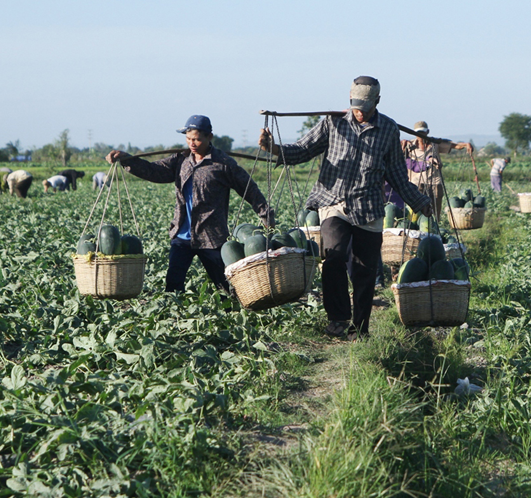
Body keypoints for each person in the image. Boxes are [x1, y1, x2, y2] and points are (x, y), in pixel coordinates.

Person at [259, 76, 432, 340]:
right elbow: (302, 150)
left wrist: (420, 203)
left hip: (369, 208)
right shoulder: (333, 122)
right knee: (335, 255)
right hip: (334, 203)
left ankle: (359, 328)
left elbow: (398, 175)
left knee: (364, 271)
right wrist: (273, 148)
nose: (359, 111)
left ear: (377, 101)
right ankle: (338, 318)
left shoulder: (387, 130)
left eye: (365, 105)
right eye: (355, 105)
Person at [107, 115, 274, 295]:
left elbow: (249, 189)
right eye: (188, 139)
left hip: (211, 236)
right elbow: (154, 171)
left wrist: (265, 214)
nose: (191, 143)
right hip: (182, 236)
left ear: (209, 137)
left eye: (196, 139)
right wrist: (127, 160)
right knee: (173, 284)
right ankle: (173, 317)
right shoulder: (181, 160)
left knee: (224, 286)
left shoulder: (223, 164)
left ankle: (232, 315)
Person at [402, 121, 446, 217]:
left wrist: (465, 145)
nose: (420, 135)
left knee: (435, 214)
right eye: (418, 132)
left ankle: (434, 228)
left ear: (427, 132)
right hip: (416, 183)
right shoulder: (409, 145)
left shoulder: (435, 144)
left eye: (423, 132)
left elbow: (452, 144)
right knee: (416, 215)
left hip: (434, 182)